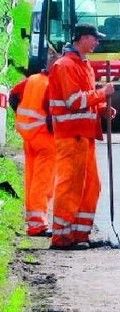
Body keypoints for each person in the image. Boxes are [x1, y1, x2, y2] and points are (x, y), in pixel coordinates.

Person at [48, 24, 115, 250]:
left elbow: (85, 102)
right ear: (83, 38)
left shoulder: (84, 65)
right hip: (71, 136)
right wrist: (102, 94)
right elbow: (74, 102)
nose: (97, 43)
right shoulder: (65, 66)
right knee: (70, 187)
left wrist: (102, 108)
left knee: (90, 186)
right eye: (95, 39)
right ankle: (62, 237)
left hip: (84, 135)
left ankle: (80, 234)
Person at [9, 50, 58, 237]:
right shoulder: (53, 84)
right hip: (45, 139)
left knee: (31, 179)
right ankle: (38, 224)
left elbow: (14, 96)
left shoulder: (33, 79)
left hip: (29, 137)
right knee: (43, 182)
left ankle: (33, 221)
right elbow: (54, 113)